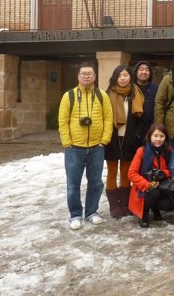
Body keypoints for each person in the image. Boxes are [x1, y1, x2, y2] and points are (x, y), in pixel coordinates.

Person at [58, 62, 113, 230]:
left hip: (96, 147)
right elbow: (63, 121)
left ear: (95, 77)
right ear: (78, 76)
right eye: (84, 73)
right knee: (73, 184)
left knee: (95, 182)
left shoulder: (102, 95)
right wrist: (67, 143)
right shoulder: (69, 96)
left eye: (90, 73)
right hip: (74, 147)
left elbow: (108, 119)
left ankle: (91, 212)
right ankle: (75, 214)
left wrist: (104, 140)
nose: (87, 76)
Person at [104, 65, 145, 219]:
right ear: (115, 77)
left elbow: (141, 118)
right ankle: (114, 205)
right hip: (112, 138)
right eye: (120, 75)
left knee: (127, 173)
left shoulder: (135, 93)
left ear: (130, 77)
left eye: (126, 75)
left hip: (130, 139)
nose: (123, 78)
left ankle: (125, 204)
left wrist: (137, 135)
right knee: (112, 172)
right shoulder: (108, 94)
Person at [127, 123, 174, 228]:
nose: (158, 139)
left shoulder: (168, 150)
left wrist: (162, 173)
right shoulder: (141, 151)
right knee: (154, 192)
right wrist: (148, 185)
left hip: (163, 185)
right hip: (143, 187)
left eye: (162, 136)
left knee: (168, 205)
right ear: (150, 137)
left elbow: (173, 170)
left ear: (165, 137)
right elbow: (131, 174)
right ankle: (143, 214)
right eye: (155, 136)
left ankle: (156, 208)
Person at [133, 60, 159, 142]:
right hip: (132, 129)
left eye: (147, 70)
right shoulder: (130, 88)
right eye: (141, 69)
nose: (144, 72)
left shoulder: (155, 88)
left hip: (149, 129)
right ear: (136, 72)